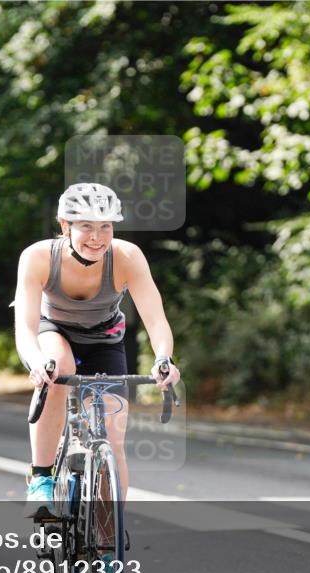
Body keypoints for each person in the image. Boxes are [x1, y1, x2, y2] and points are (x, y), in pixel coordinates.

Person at [14, 183, 181, 520]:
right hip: (53, 332)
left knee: (113, 435)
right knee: (57, 365)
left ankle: (108, 545)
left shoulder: (127, 257)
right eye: (86, 226)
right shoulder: (38, 257)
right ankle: (41, 477)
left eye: (106, 226)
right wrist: (35, 363)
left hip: (104, 340)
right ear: (65, 226)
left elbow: (156, 321)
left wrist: (164, 359)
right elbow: (25, 326)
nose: (97, 237)